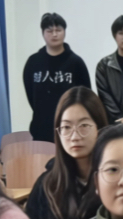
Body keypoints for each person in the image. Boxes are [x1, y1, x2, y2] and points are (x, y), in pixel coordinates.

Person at [25, 87, 109, 219]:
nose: (74, 136)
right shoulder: (46, 186)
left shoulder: (114, 182)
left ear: (99, 127)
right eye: (66, 127)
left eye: (84, 125)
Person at [23, 12, 92, 141]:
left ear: (64, 32)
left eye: (58, 30)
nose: (54, 34)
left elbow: (86, 96)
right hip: (41, 129)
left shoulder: (76, 63)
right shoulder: (33, 62)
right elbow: (31, 95)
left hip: (71, 130)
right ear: (43, 33)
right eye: (49, 31)